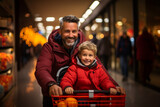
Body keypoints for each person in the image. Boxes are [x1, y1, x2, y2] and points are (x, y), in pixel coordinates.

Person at [35, 15, 125, 107]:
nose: (71, 35)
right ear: (60, 31)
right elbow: (42, 69)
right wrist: (51, 84)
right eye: (67, 31)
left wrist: (114, 85)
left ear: (78, 31)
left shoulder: (83, 47)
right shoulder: (49, 47)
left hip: (77, 95)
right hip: (55, 94)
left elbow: (99, 67)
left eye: (74, 31)